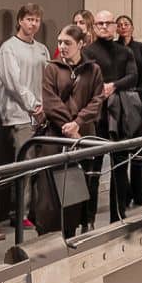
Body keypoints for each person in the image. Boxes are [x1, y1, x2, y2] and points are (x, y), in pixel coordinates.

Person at [35, 25, 104, 239]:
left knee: (75, 188)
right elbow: (50, 102)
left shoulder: (93, 70)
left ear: (80, 44)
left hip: (82, 135)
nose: (62, 46)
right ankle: (48, 235)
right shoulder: (51, 68)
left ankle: (72, 232)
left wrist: (79, 123)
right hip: (56, 135)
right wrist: (69, 126)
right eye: (60, 42)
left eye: (68, 43)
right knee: (49, 189)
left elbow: (97, 100)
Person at [0, 3, 47, 238]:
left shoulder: (42, 49)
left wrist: (44, 107)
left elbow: (47, 80)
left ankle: (36, 210)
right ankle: (19, 213)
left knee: (39, 166)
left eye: (36, 20)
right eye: (29, 19)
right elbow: (13, 83)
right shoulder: (9, 49)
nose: (33, 24)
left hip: (41, 115)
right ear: (20, 21)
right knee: (24, 166)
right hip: (19, 115)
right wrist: (33, 106)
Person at [85, 11, 140, 223]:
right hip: (96, 113)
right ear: (94, 27)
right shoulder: (88, 51)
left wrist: (113, 86)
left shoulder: (125, 51)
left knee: (120, 165)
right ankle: (88, 218)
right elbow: (85, 77)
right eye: (100, 23)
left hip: (120, 113)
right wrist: (103, 88)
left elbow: (133, 76)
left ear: (115, 26)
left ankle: (118, 214)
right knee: (93, 168)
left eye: (108, 23)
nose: (104, 26)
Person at [115, 15, 142, 208]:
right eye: (120, 25)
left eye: (126, 24)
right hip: (119, 100)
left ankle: (139, 191)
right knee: (121, 144)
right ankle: (125, 192)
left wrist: (140, 93)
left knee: (139, 143)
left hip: (137, 99)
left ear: (132, 27)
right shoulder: (113, 48)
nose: (123, 27)